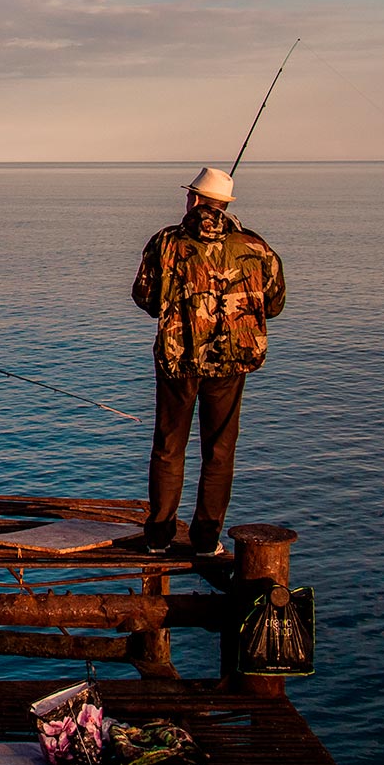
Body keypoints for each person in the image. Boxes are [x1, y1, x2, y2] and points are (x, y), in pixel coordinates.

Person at [132, 166, 286, 557]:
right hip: (231, 362)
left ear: (196, 200)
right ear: (224, 204)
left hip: (178, 360)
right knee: (219, 450)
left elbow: (145, 299)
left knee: (169, 446)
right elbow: (275, 304)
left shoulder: (166, 243)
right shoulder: (256, 246)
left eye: (189, 195)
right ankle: (205, 539)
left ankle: (159, 536)